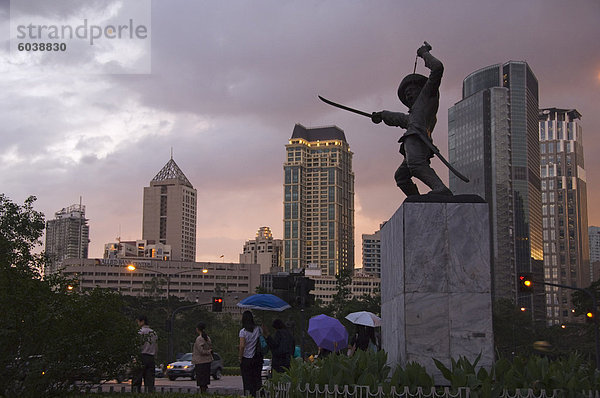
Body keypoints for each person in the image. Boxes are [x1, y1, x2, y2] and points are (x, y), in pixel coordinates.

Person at [371, 42, 452, 197]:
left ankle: (440, 189)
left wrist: (424, 53)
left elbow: (437, 68)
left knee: (415, 164)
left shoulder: (428, 96)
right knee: (401, 177)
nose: (408, 94)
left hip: (418, 138)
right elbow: (402, 119)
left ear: (420, 88)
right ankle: (416, 200)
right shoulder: (415, 113)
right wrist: (382, 115)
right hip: (414, 138)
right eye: (406, 93)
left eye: (411, 90)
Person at [238, 310, 263, 397]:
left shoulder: (243, 331)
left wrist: (240, 358)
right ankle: (258, 395)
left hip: (246, 359)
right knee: (257, 379)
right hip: (257, 358)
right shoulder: (258, 329)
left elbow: (242, 346)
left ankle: (249, 395)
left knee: (247, 380)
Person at [132, 315, 158, 393]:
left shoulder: (140, 332)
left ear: (142, 321)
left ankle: (136, 394)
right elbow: (156, 347)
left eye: (138, 322)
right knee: (150, 380)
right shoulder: (154, 333)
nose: (138, 324)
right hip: (151, 357)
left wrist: (134, 357)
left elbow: (137, 346)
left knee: (137, 379)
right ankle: (149, 393)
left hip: (141, 356)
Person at [192, 322, 213, 393]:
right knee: (205, 380)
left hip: (200, 361)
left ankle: (203, 393)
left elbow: (201, 351)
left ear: (197, 329)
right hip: (207, 361)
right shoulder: (207, 338)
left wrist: (207, 352)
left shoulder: (199, 339)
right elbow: (210, 347)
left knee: (201, 380)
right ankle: (205, 392)